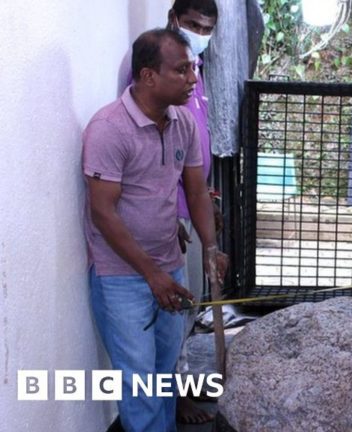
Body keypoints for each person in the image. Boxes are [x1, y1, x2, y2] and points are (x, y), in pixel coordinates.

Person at [84, 28, 227, 432]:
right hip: (123, 279)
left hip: (169, 270)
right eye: (182, 70)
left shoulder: (183, 123)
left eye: (193, 68)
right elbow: (103, 212)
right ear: (148, 76)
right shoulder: (109, 128)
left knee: (164, 376)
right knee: (140, 384)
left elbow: (196, 191)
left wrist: (211, 247)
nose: (193, 79)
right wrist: (152, 275)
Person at [118, 0, 220, 424]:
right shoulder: (154, 72)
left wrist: (206, 228)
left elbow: (190, 154)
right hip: (158, 228)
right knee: (144, 360)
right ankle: (169, 403)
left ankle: (174, 397)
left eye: (208, 27)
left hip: (185, 212)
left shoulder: (192, 68)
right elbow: (148, 159)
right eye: (194, 24)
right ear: (175, 18)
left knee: (173, 329)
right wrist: (173, 214)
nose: (201, 32)